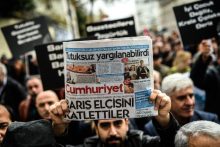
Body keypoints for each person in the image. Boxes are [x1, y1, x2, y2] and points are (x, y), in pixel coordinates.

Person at [49, 90, 179, 147]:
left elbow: (174, 144)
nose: (113, 132)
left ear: (127, 123)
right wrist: (59, 127)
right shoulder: (89, 145)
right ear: (96, 127)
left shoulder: (142, 143)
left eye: (117, 123)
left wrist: (164, 117)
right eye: (105, 125)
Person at [144, 73, 219, 136]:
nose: (190, 102)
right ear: (167, 100)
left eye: (191, 95)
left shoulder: (210, 120)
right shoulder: (152, 129)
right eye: (181, 98)